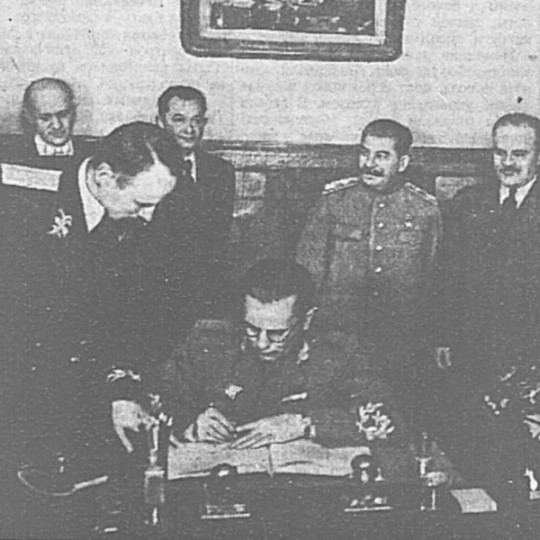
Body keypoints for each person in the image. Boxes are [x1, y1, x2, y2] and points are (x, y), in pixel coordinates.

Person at [0, 122, 197, 467]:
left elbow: (127, 313)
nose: (149, 215)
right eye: (141, 202)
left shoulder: (150, 211)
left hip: (85, 383)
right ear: (104, 175)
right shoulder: (19, 197)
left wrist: (121, 390)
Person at [112, 259, 406, 453]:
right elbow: (150, 397)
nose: (262, 343)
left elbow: (390, 420)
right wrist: (189, 422)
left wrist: (305, 424)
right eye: (252, 329)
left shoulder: (337, 352)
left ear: (306, 320)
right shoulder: (209, 343)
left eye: (277, 334)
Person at [296, 119, 442, 418]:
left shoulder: (425, 210)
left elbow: (434, 280)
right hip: (336, 336)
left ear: (402, 163)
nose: (369, 164)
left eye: (382, 156)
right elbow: (307, 273)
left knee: (394, 416)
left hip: (397, 340)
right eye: (365, 153)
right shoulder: (334, 201)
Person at [435, 113, 540, 488]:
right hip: (473, 350)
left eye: (519, 154)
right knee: (476, 447)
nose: (507, 163)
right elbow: (446, 277)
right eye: (500, 153)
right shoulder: (468, 203)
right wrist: (444, 336)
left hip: (531, 354)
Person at [157, 85, 236, 316]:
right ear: (160, 122)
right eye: (179, 120)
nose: (189, 129)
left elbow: (218, 240)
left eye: (196, 120)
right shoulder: (146, 169)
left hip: (203, 290)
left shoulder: (220, 171)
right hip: (153, 287)